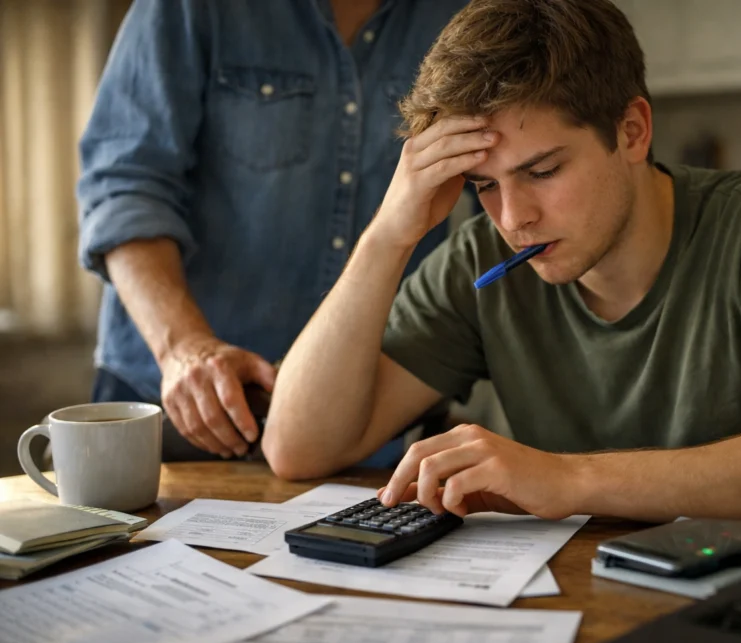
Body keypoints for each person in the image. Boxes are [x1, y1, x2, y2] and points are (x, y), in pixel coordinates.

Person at [262, 0, 741, 522]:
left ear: (632, 131)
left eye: (543, 171)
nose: (512, 218)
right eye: (484, 185)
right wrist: (390, 234)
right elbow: (296, 448)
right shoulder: (482, 258)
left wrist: (568, 479)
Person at [76, 0, 467, 462]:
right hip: (179, 401)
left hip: (369, 421)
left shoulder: (464, 12)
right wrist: (185, 347)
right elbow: (125, 187)